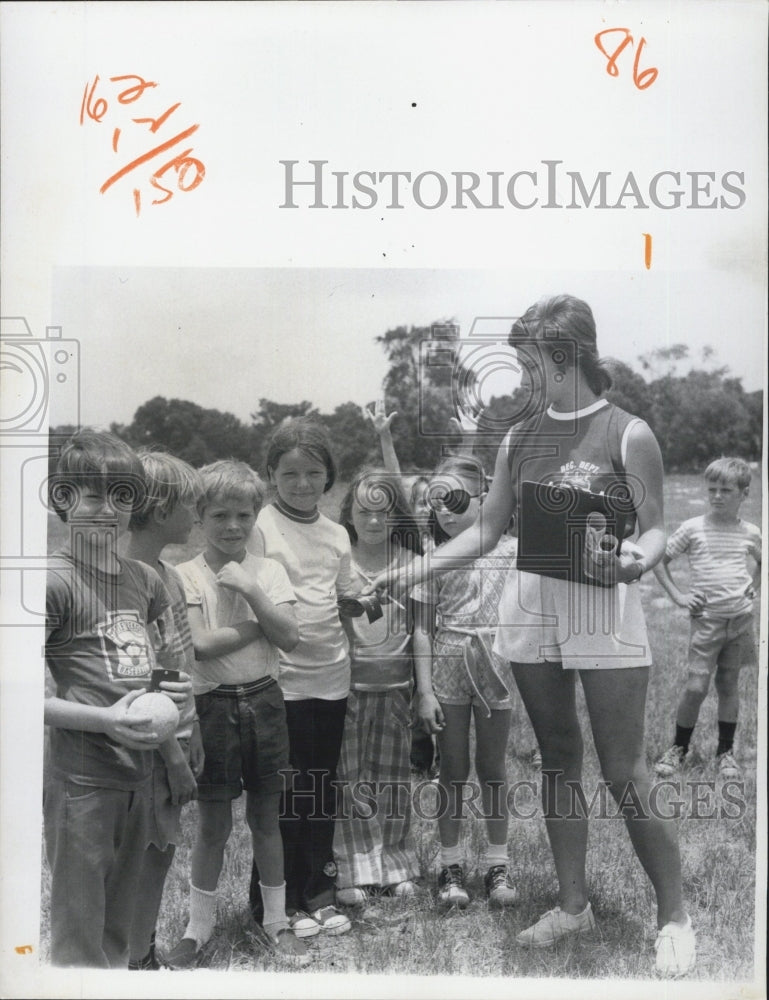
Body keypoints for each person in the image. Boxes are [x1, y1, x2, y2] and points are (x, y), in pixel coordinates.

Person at [369, 295, 696, 976]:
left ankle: (673, 916)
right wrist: (410, 573)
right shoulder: (519, 436)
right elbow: (488, 531)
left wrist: (636, 558)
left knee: (622, 769)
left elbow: (657, 525)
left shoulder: (626, 431)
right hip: (532, 602)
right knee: (555, 759)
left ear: (565, 357)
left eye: (529, 364)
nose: (520, 377)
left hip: (602, 605)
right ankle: (572, 906)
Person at [44, 430, 179, 967]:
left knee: (116, 930)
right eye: (94, 495)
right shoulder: (51, 582)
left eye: (123, 497)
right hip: (82, 778)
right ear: (62, 499)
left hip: (137, 772)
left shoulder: (143, 580)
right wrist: (103, 720)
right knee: (81, 935)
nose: (109, 511)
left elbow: (148, 662)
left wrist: (170, 689)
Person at [167, 461, 309, 968]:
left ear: (256, 517)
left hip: (266, 700)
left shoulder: (267, 572)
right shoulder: (184, 574)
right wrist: (260, 623)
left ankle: (275, 921)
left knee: (266, 820)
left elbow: (291, 636)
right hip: (212, 706)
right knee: (212, 827)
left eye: (243, 515)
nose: (233, 526)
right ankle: (196, 929)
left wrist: (250, 590)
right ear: (200, 517)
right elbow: (201, 645)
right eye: (220, 515)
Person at [247, 419, 354, 938]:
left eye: (314, 473)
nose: (303, 483)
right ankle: (277, 899)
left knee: (320, 786)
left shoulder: (337, 533)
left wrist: (366, 597)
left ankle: (320, 891)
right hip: (279, 678)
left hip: (331, 675)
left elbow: (345, 594)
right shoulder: (261, 525)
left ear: (329, 476)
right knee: (282, 791)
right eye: (290, 474)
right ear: (271, 475)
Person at [411, 455, 519, 910]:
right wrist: (424, 689)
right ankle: (450, 865)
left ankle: (498, 864)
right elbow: (421, 628)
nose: (446, 510)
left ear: (484, 498)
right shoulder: (431, 560)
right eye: (437, 503)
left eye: (457, 499)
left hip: (496, 667)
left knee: (492, 769)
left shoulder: (512, 550)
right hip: (449, 665)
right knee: (452, 770)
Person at [125, 450, 205, 970]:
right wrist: (175, 754)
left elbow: (180, 663)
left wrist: (192, 727)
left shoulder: (169, 575)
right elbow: (143, 679)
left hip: (176, 732)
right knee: (146, 853)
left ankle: (141, 948)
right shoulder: (129, 581)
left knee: (163, 845)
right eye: (191, 504)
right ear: (159, 511)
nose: (198, 513)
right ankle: (136, 959)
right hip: (151, 744)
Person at [333, 468, 424, 905]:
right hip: (346, 688)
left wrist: (424, 691)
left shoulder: (409, 559)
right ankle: (353, 869)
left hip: (397, 687)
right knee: (350, 779)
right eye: (364, 511)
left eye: (384, 512)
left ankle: (395, 863)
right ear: (348, 512)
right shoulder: (338, 558)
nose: (373, 521)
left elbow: (421, 628)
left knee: (392, 779)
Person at [653, 457, 761, 780]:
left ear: (744, 494)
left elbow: (762, 561)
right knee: (697, 686)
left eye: (726, 490)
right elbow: (660, 561)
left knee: (728, 685)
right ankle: (678, 749)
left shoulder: (751, 532)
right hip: (707, 622)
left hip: (740, 622)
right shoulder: (692, 528)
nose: (716, 496)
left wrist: (754, 587)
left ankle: (725, 753)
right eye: (712, 489)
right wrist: (679, 596)